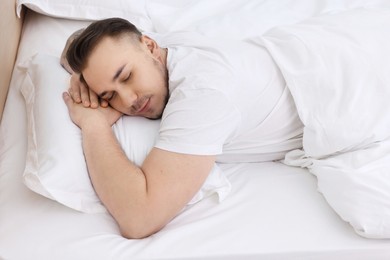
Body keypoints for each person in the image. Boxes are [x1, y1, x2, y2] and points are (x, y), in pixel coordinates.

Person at [62, 17, 303, 239]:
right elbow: (72, 45)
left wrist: (93, 124)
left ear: (149, 46)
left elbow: (140, 218)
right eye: (109, 95)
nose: (127, 100)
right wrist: (82, 78)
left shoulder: (201, 95)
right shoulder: (158, 50)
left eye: (126, 77)